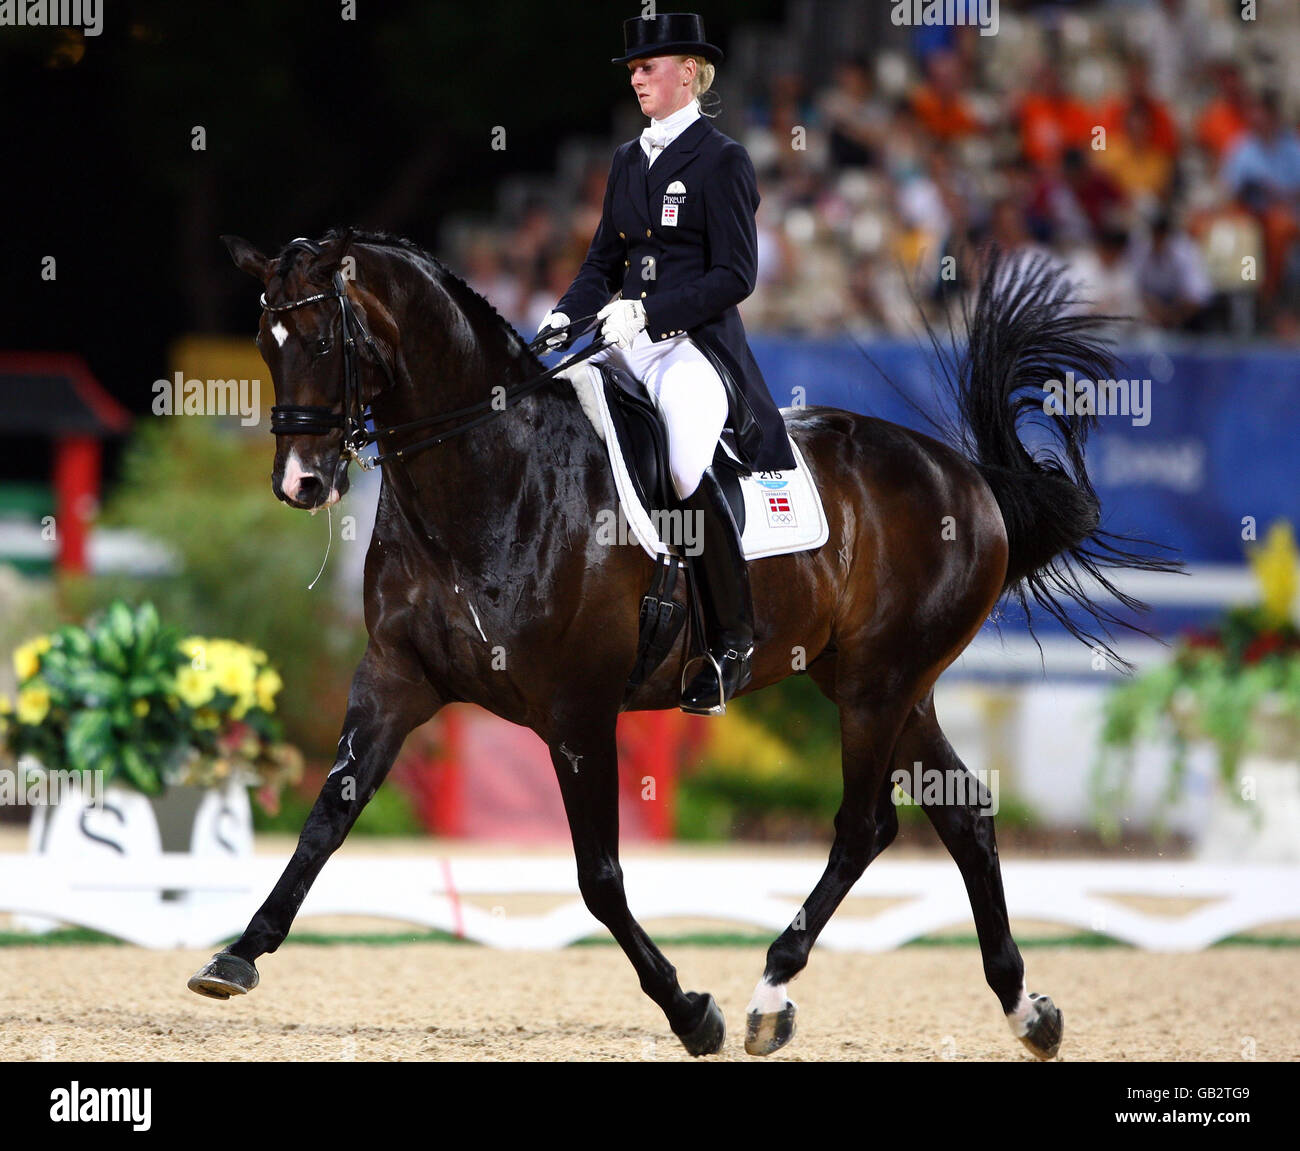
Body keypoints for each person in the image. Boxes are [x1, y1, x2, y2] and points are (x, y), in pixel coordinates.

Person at [538, 12, 795, 715]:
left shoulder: (722, 159)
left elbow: (736, 275)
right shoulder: (628, 159)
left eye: (648, 67)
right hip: (623, 343)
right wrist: (566, 313)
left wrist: (651, 312)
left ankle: (732, 642)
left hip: (694, 349)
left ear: (688, 71)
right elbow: (602, 263)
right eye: (632, 70)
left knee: (683, 465)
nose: (636, 78)